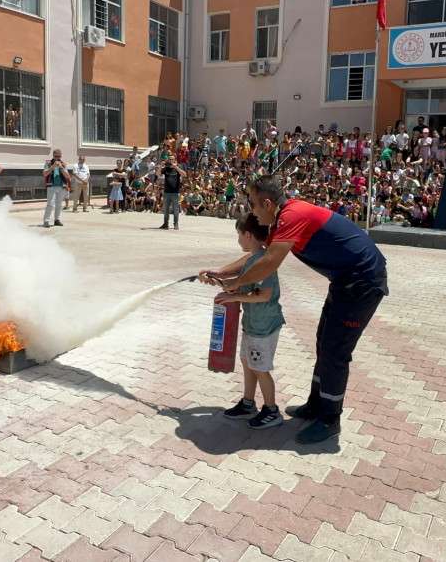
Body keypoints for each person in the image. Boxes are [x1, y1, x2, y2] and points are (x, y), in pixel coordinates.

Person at [208, 175, 388, 444]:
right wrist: (221, 272)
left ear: (267, 203)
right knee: (323, 344)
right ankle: (316, 405)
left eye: (253, 204)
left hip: (362, 282)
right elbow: (257, 255)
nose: (252, 212)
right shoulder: (282, 219)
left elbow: (269, 263)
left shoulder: (291, 216)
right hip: (344, 282)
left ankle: (330, 419)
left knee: (335, 352)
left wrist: (236, 285)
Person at [206, 214, 286, 430]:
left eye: (239, 235)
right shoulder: (253, 258)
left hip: (264, 326)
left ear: (248, 235)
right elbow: (242, 284)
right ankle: (248, 403)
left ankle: (271, 410)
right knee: (248, 362)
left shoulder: (263, 261)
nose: (238, 240)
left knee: (260, 367)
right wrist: (218, 279)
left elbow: (264, 294)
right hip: (253, 324)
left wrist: (233, 297)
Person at [42, 149, 71, 227]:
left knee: (59, 204)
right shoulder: (48, 163)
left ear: (61, 156)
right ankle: (46, 221)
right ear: (53, 155)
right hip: (51, 186)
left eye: (59, 156)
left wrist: (61, 168)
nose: (57, 158)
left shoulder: (63, 164)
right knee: (50, 204)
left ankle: (56, 220)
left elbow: (68, 176)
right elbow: (44, 174)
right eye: (56, 156)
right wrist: (52, 167)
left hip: (61, 186)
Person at [158, 158, 187, 230]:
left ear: (175, 161)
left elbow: (184, 175)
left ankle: (176, 224)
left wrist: (176, 167)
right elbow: (158, 174)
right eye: (170, 159)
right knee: (166, 209)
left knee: (176, 209)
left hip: (175, 193)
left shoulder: (177, 169)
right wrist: (160, 166)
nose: (170, 160)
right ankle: (165, 224)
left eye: (172, 159)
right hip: (167, 192)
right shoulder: (166, 168)